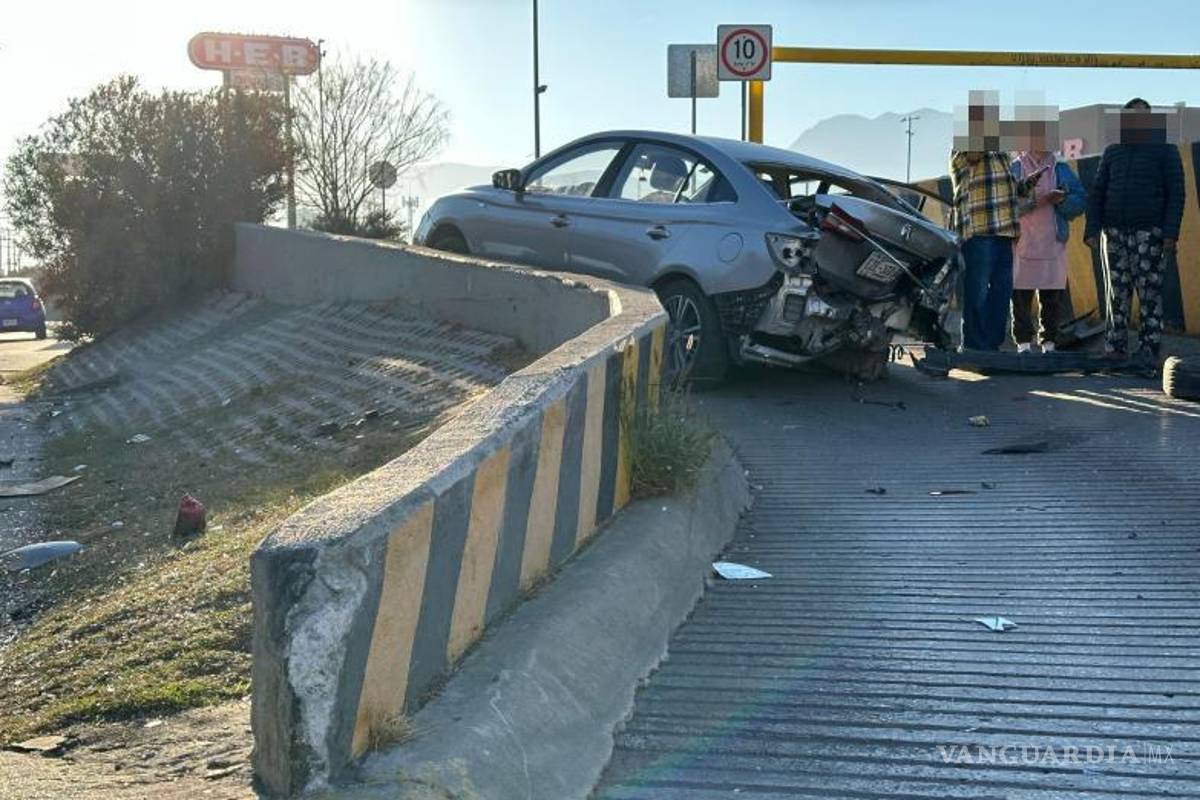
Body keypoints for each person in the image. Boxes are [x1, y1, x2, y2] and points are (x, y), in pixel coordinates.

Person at [1084, 98, 1186, 364]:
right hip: (1114, 234)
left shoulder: (1166, 150)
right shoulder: (1112, 151)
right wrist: (1092, 229)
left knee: (1149, 294)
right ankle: (1115, 348)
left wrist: (1169, 234)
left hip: (1150, 235)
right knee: (1116, 294)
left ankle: (1148, 351)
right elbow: (1097, 193)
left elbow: (1177, 194)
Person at [950, 95, 1023, 351]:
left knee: (1001, 293)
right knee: (977, 292)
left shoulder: (1001, 152)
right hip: (979, 230)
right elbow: (973, 154)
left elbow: (1007, 187)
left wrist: (1025, 186)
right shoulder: (964, 146)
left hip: (1004, 229)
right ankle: (973, 345)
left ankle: (991, 346)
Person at [1009, 127, 1087, 354]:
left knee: (1051, 294)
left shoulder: (1061, 169)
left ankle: (1049, 343)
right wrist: (1029, 201)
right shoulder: (1014, 168)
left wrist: (1061, 200)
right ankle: (1023, 344)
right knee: (1020, 295)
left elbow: (1080, 200)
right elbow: (1006, 204)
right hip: (1021, 242)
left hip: (1052, 241)